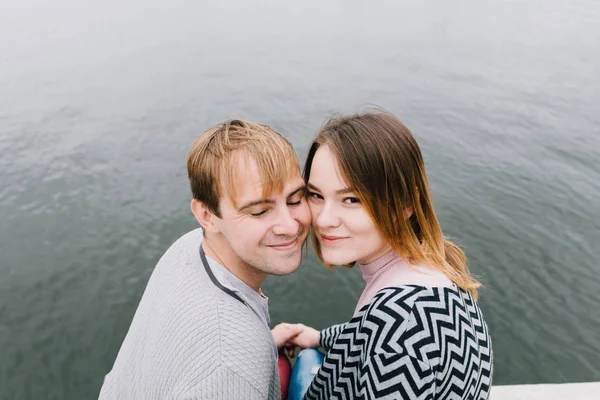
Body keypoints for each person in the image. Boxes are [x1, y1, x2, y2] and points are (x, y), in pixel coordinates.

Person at [283, 112, 493, 399]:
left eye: (352, 199)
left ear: (405, 204)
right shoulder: (439, 277)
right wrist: (320, 338)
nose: (324, 219)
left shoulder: (401, 326)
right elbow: (369, 331)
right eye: (316, 195)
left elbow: (393, 334)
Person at [99, 119, 310, 399]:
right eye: (259, 211)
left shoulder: (186, 248)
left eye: (296, 199)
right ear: (207, 216)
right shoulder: (230, 366)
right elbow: (224, 365)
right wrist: (245, 356)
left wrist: (260, 345)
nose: (290, 225)